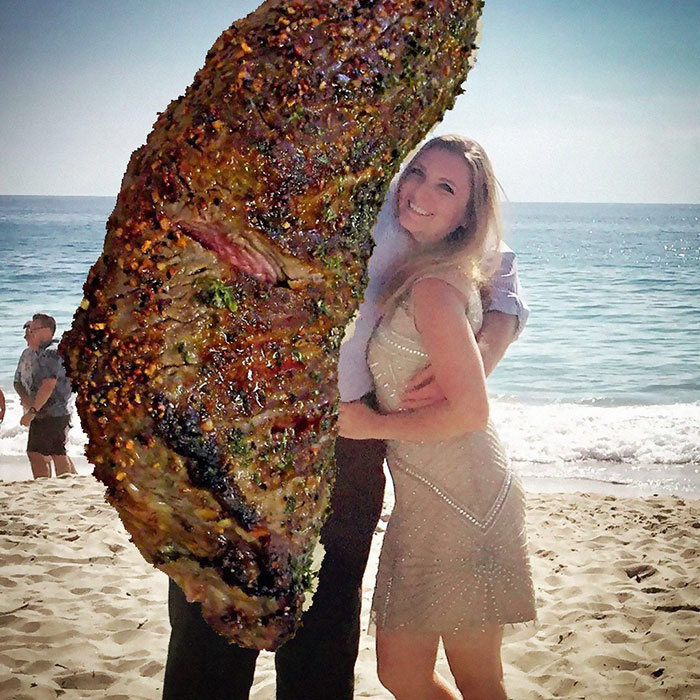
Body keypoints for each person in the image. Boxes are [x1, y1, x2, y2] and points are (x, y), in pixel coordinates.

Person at [162, 137, 530, 700]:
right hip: (238, 434)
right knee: (212, 618)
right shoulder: (240, 181)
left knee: (326, 621)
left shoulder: (394, 194)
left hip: (349, 441)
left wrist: (481, 352)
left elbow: (497, 270)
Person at [338, 135, 536, 700]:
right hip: (423, 498)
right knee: (401, 673)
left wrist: (372, 426)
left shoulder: (433, 286)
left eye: (445, 187)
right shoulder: (425, 266)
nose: (421, 192)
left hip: (465, 495)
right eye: (418, 173)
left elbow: (472, 411)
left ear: (466, 215)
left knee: (479, 679)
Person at [13, 313, 77, 479]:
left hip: (54, 411)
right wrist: (27, 401)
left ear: (47, 330)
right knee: (42, 452)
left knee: (53, 453)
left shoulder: (51, 352)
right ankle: (49, 483)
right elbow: (17, 381)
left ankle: (63, 484)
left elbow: (49, 384)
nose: (30, 333)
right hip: (44, 411)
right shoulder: (35, 353)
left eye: (34, 329)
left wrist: (32, 411)